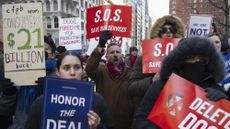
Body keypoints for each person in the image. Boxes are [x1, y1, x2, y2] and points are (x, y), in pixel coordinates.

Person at [133, 37, 228, 129]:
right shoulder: (162, 86)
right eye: (191, 58)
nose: (197, 62)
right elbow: (141, 119)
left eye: (201, 59)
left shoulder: (215, 90)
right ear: (179, 61)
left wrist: (223, 103)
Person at [24, 51, 113, 129]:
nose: (72, 72)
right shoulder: (41, 102)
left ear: (82, 71)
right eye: (66, 68)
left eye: (77, 67)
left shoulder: (96, 100)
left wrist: (98, 126)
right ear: (57, 72)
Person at [128, 15, 185, 113]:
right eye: (164, 30)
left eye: (172, 29)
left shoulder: (185, 58)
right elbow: (132, 87)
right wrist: (151, 80)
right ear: (158, 33)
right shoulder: (143, 58)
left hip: (176, 109)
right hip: (150, 109)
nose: (168, 32)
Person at [85, 31, 134, 129]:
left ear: (122, 56)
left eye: (118, 52)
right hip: (104, 122)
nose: (115, 54)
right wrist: (101, 45)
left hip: (125, 123)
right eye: (112, 52)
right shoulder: (101, 70)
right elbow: (89, 68)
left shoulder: (130, 73)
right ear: (106, 56)